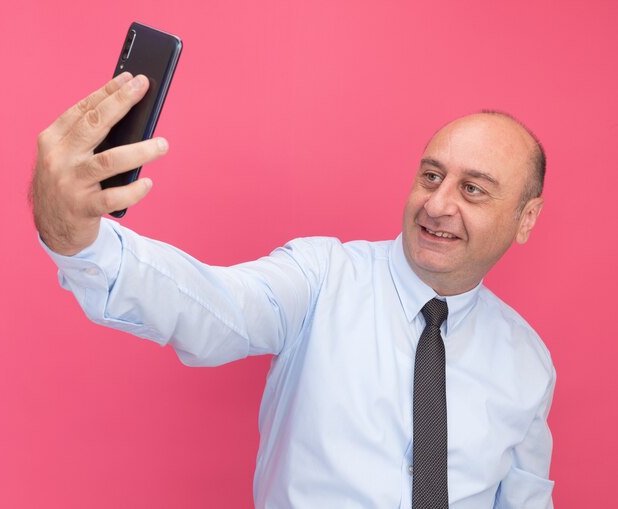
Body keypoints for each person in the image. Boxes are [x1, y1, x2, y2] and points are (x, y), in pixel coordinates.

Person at [32, 73, 556, 508]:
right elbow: (215, 307)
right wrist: (82, 241)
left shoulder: (529, 363)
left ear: (525, 217)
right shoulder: (320, 275)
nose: (438, 205)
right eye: (431, 176)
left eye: (472, 190)